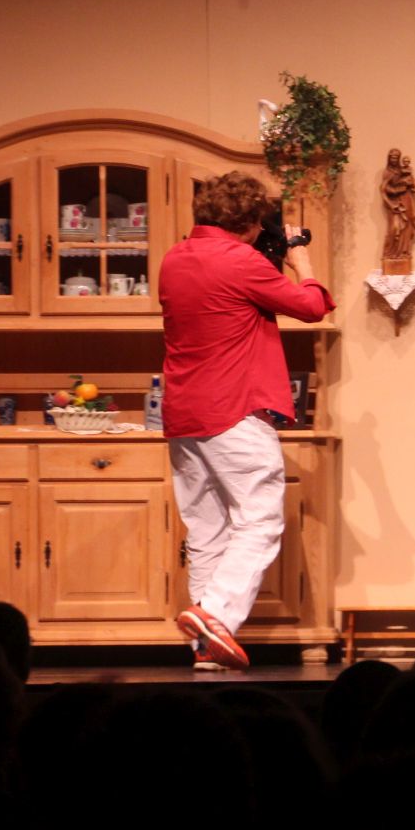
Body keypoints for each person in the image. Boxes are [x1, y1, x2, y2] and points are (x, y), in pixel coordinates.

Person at [161, 171, 335, 670]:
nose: (263, 231)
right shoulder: (240, 261)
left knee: (207, 529)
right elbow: (312, 306)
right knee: (260, 520)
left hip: (184, 412)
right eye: (260, 223)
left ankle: (205, 650)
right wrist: (300, 259)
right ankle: (215, 615)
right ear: (247, 222)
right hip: (234, 409)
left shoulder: (174, 259)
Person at [380, 148, 415, 262]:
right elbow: (383, 189)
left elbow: (414, 186)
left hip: (406, 200)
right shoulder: (387, 172)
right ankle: (390, 254)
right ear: (388, 158)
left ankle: (403, 252)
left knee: (407, 226)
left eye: (396, 157)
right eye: (392, 157)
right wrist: (391, 203)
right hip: (395, 203)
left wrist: (411, 184)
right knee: (395, 228)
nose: (394, 160)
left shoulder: (404, 171)